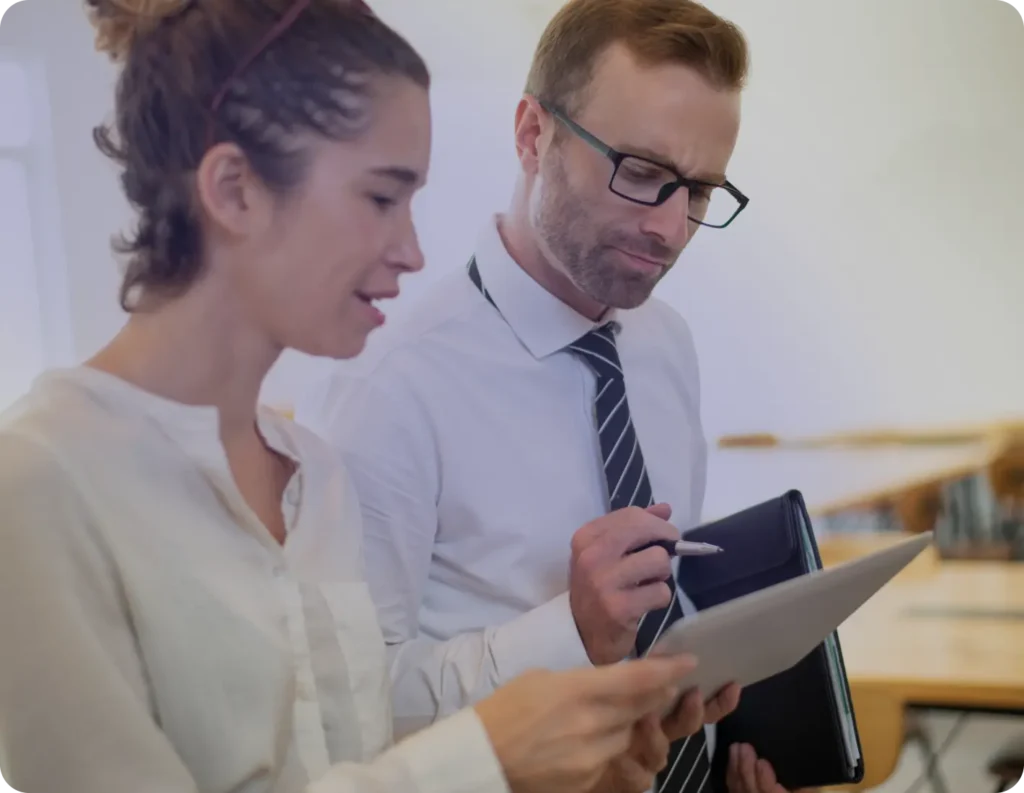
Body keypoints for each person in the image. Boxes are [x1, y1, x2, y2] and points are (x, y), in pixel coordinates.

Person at [0, 1, 713, 792]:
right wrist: (489, 759)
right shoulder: (42, 482)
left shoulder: (313, 480)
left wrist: (578, 762)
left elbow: (359, 760)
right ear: (235, 188)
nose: (411, 252)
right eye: (381, 198)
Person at [296, 1, 817, 792]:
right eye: (640, 173)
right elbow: (351, 715)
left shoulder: (664, 344)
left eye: (701, 192)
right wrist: (569, 632)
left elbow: (669, 617)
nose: (671, 228)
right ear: (533, 133)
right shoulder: (391, 383)